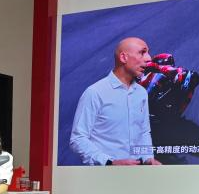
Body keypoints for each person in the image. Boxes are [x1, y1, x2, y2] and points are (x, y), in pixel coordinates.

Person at [69, 37, 162, 166]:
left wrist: (148, 158)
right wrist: (109, 162)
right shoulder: (95, 92)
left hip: (138, 172)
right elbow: (78, 139)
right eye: (142, 52)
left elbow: (144, 132)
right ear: (123, 57)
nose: (148, 58)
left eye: (147, 53)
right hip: (105, 175)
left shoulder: (141, 93)